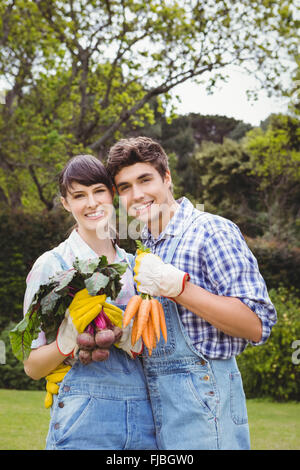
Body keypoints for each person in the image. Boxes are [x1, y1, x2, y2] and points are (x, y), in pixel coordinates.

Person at [106, 136, 277, 450]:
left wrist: (180, 288)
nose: (137, 194)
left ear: (167, 178)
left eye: (145, 180)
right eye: (125, 187)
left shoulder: (210, 230)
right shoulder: (144, 247)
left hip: (206, 409)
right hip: (155, 410)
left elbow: (256, 325)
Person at [23, 154, 157, 450]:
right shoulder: (52, 267)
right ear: (65, 203)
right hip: (82, 422)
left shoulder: (138, 268)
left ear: (112, 193)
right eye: (79, 195)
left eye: (98, 190)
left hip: (145, 420)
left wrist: (135, 339)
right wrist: (65, 341)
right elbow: (32, 367)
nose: (92, 203)